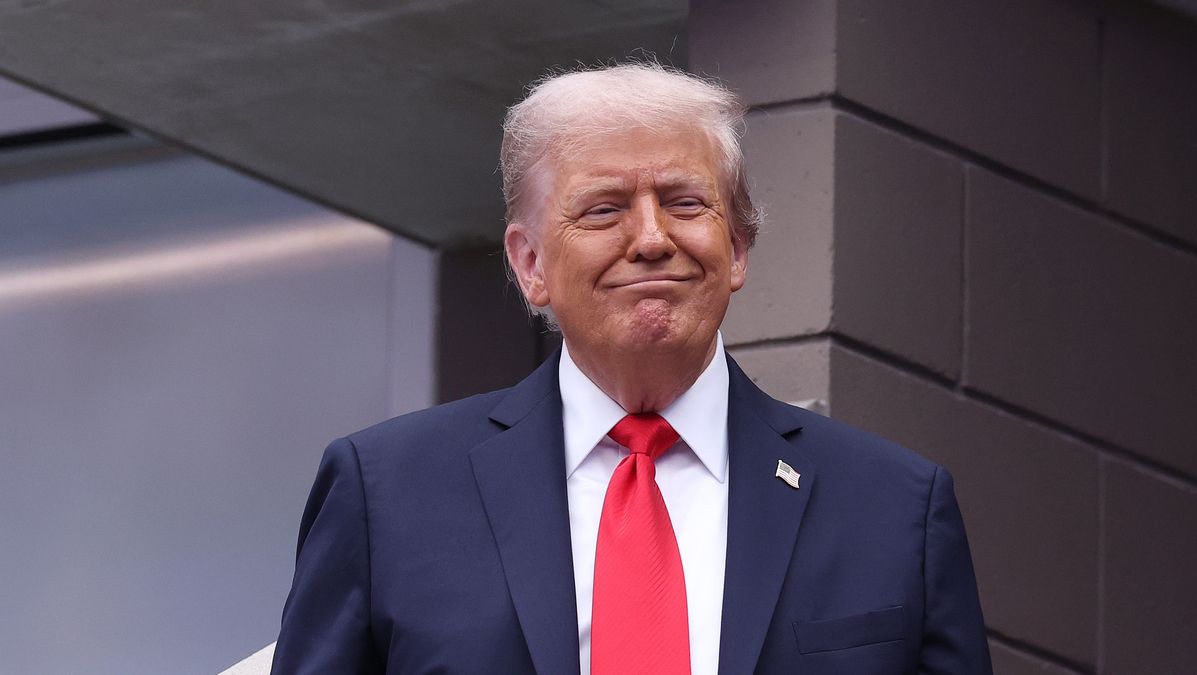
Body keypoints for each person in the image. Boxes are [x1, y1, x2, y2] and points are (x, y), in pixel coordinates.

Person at [271, 62, 992, 675]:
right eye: (604, 209)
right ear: (530, 264)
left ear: (737, 249)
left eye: (684, 202)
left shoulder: (894, 508)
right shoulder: (387, 494)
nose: (651, 239)